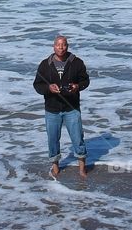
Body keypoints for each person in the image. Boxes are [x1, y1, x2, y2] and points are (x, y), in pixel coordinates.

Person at [33, 35, 90, 178]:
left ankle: (82, 168)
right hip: (52, 109)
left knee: (78, 139)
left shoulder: (76, 62)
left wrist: (77, 86)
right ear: (53, 46)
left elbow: (86, 80)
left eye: (63, 45)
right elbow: (37, 85)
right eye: (58, 45)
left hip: (72, 108)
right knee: (52, 140)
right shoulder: (45, 64)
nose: (61, 47)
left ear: (67, 46)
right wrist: (48, 88)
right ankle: (55, 167)